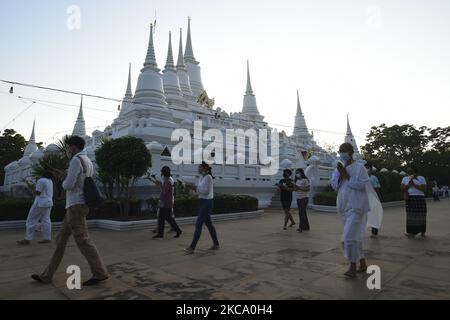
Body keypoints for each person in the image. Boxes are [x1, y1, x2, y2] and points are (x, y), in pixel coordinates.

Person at [31, 136, 109, 286]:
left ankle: (100, 272)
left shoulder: (75, 160)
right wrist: (65, 175)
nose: (67, 150)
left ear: (72, 147)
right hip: (77, 205)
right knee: (61, 240)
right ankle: (47, 275)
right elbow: (79, 180)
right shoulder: (87, 160)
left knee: (83, 240)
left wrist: (61, 178)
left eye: (68, 147)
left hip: (76, 206)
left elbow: (69, 185)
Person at [331, 143, 380, 279]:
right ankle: (362, 262)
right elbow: (334, 186)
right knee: (355, 236)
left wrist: (347, 175)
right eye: (340, 151)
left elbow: (363, 186)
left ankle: (352, 265)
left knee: (348, 237)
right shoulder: (338, 168)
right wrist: (340, 174)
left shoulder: (360, 168)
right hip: (343, 206)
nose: (341, 153)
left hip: (357, 206)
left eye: (344, 151)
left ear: (351, 152)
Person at [184, 162, 220, 254]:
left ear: (205, 169)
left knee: (198, 224)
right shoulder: (201, 177)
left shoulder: (208, 177)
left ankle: (192, 247)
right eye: (198, 167)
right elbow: (200, 191)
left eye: (200, 167)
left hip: (207, 203)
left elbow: (206, 192)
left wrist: (195, 189)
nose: (198, 169)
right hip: (201, 202)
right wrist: (193, 189)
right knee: (209, 225)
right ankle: (216, 244)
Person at [17, 171, 54, 245]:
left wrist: (30, 190)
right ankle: (47, 238)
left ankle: (27, 239)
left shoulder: (41, 180)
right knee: (46, 220)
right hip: (49, 202)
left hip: (40, 202)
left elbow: (38, 192)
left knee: (31, 220)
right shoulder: (50, 181)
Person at [149, 166, 182, 239]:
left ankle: (178, 230)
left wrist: (158, 186)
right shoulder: (167, 180)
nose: (161, 173)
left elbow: (164, 192)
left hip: (166, 203)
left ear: (164, 172)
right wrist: (157, 182)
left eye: (162, 172)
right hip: (164, 202)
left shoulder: (168, 181)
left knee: (168, 218)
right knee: (162, 218)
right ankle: (161, 234)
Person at [401, 166, 427, 238]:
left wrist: (414, 184)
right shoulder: (405, 178)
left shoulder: (421, 178)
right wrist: (409, 184)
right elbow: (402, 188)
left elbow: (424, 189)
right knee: (410, 215)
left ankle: (422, 231)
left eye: (410, 170)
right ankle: (411, 232)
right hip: (410, 198)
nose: (408, 171)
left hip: (419, 198)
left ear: (414, 171)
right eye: (407, 170)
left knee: (421, 215)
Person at [364, 163, 382, 237]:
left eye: (368, 168)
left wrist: (371, 193)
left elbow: (377, 188)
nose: (366, 169)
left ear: (371, 169)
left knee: (374, 214)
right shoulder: (361, 177)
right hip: (363, 198)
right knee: (363, 216)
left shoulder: (374, 178)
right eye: (365, 168)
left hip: (372, 198)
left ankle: (374, 232)